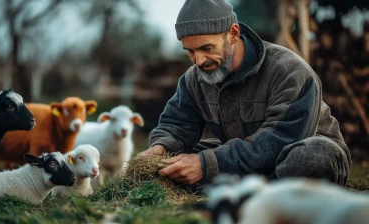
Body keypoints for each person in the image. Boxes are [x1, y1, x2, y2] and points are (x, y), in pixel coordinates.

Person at [137, 0, 351, 187]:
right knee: (170, 163)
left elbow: (281, 139)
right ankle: (251, 186)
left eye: (207, 48)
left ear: (233, 33)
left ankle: (255, 190)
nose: (199, 60)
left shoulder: (289, 70)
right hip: (241, 156)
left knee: (308, 159)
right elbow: (177, 124)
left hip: (302, 150)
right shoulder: (195, 78)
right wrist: (160, 149)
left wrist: (207, 164)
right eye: (190, 52)